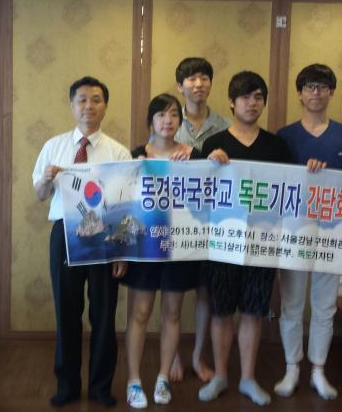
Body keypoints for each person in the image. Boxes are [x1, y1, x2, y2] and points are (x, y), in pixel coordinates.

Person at [273, 63, 342, 400]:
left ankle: (318, 369)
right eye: (309, 87)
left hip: (333, 232)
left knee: (324, 304)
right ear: (299, 94)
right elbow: (277, 183)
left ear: (331, 92)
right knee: (291, 303)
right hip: (293, 228)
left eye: (322, 87)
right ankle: (291, 367)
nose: (315, 92)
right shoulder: (285, 136)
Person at [32, 76, 130, 408]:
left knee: (104, 314)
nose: (89, 106)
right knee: (67, 311)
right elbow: (40, 194)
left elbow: (124, 204)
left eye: (96, 99)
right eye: (82, 100)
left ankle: (101, 387)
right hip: (64, 233)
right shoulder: (54, 146)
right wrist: (46, 180)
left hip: (106, 234)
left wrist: (121, 251)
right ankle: (67, 385)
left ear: (105, 106)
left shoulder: (118, 151)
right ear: (72, 105)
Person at [198, 71, 293, 406]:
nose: (252, 103)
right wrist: (209, 164)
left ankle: (248, 379)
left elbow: (293, 191)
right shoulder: (214, 144)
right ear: (231, 102)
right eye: (245, 97)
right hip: (222, 243)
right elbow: (199, 193)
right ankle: (221, 375)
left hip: (262, 243)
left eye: (258, 97)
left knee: (254, 311)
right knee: (221, 311)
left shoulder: (277, 146)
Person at [122, 93, 201, 409]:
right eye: (161, 115)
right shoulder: (135, 156)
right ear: (150, 121)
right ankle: (133, 381)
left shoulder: (192, 156)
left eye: (173, 115)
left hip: (178, 245)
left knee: (172, 313)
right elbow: (122, 200)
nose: (168, 121)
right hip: (145, 245)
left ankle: (163, 378)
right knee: (140, 313)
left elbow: (210, 193)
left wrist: (209, 161)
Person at [170, 57, 230, 383]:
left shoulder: (225, 125)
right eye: (191, 79)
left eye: (204, 77)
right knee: (174, 292)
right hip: (176, 221)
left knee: (207, 292)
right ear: (180, 86)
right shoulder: (168, 121)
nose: (199, 84)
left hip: (213, 222)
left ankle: (198, 355)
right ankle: (173, 355)